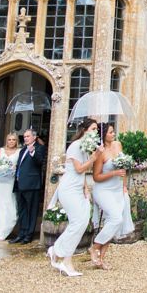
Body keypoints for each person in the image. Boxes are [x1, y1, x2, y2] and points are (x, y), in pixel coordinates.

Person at [46, 117, 101, 277]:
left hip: (78, 188)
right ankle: (65, 259)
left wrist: (86, 189)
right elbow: (78, 169)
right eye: (93, 129)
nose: (95, 131)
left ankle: (56, 251)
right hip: (69, 188)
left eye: (96, 129)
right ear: (84, 130)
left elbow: (82, 174)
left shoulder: (85, 147)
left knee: (82, 222)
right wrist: (93, 158)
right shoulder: (76, 146)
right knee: (77, 223)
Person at [91, 122, 135, 269]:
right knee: (116, 218)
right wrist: (114, 173)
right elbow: (96, 177)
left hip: (117, 190)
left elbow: (123, 168)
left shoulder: (118, 145)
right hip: (103, 190)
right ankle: (95, 247)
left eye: (113, 131)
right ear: (103, 135)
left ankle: (101, 260)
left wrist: (124, 186)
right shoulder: (100, 152)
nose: (113, 134)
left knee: (113, 223)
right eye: (110, 132)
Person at [9, 128, 45, 244]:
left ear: (34, 137)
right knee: (22, 210)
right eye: (24, 137)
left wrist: (32, 152)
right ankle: (21, 233)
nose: (25, 138)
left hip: (32, 184)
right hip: (20, 184)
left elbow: (39, 162)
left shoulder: (39, 148)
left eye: (28, 136)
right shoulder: (22, 150)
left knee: (31, 210)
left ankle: (28, 235)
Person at [0, 133, 20, 241]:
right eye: (9, 139)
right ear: (6, 141)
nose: (11, 141)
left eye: (13, 139)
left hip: (10, 181)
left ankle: (6, 229)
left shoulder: (19, 151)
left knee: (10, 205)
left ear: (16, 141)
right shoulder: (1, 151)